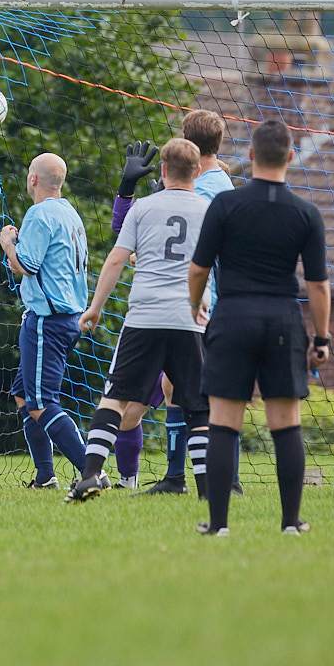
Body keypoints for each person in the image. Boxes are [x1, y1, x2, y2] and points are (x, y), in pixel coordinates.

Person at [190, 120, 329, 536]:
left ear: (251, 156)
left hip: (232, 316)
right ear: (290, 157)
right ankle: (291, 522)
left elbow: (198, 269)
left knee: (222, 420)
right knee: (286, 422)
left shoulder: (225, 205)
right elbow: (319, 286)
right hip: (283, 320)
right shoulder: (306, 212)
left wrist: (194, 306)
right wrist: (321, 339)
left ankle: (218, 525)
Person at [69, 139, 211, 502]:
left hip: (145, 316)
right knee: (198, 407)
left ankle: (90, 475)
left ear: (162, 170)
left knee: (115, 400)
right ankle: (207, 489)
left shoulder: (144, 207)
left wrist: (95, 307)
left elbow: (117, 259)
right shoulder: (210, 210)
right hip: (188, 318)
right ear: (197, 171)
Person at [112, 110, 240, 495]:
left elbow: (132, 238)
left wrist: (130, 195)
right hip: (200, 303)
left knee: (190, 394)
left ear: (186, 142)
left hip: (192, 305)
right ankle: (182, 477)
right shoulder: (218, 184)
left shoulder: (199, 190)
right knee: (179, 390)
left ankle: (207, 478)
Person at [0, 153, 91, 489]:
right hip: (70, 318)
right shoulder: (70, 213)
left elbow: (26, 265)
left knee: (41, 402)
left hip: (47, 321)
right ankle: (45, 475)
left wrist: (8, 243)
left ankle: (91, 470)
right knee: (23, 394)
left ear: (33, 179)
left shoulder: (40, 214)